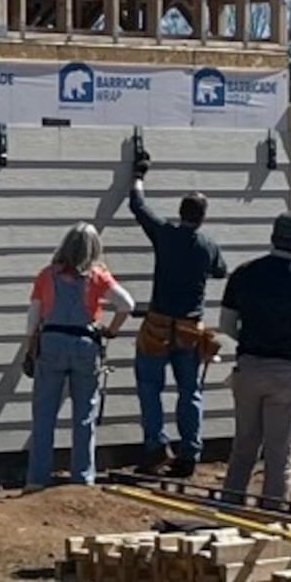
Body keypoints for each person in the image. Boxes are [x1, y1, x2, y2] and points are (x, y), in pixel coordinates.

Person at [217, 211, 291, 508]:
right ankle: (270, 517)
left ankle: (228, 509)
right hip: (287, 374)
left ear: (273, 239)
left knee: (243, 446)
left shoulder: (243, 273)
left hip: (248, 369)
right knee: (279, 452)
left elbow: (227, 325)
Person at [123, 181, 227, 476]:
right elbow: (220, 271)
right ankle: (189, 454)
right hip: (189, 330)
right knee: (190, 391)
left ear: (180, 213)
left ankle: (156, 447)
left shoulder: (165, 235)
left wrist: (138, 178)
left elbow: (138, 207)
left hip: (157, 326)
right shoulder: (207, 245)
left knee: (149, 387)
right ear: (202, 217)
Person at [20, 224, 133, 488]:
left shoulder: (46, 276)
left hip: (52, 344)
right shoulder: (97, 276)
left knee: (44, 415)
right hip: (85, 345)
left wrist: (30, 348)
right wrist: (111, 331)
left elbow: (33, 318)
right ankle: (82, 478)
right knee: (84, 415)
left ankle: (37, 479)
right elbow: (127, 304)